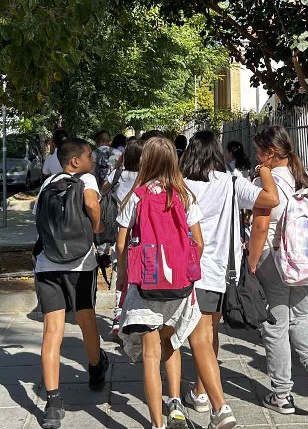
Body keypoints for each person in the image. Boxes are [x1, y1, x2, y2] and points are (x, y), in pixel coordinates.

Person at [180, 131, 280, 429]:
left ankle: (219, 407)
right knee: (210, 333)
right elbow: (271, 199)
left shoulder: (182, 185)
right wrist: (264, 171)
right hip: (225, 272)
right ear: (216, 153)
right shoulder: (232, 182)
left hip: (194, 270)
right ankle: (200, 392)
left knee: (198, 337)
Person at [116, 137, 204, 429]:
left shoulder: (137, 196)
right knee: (172, 343)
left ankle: (157, 424)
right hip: (178, 287)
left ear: (146, 161)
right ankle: (175, 403)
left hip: (146, 284)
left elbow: (121, 244)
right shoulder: (184, 195)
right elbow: (199, 243)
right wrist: (183, 270)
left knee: (150, 354)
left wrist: (124, 275)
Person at [248, 126, 308, 415]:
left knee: (276, 325)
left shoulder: (264, 184)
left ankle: (282, 394)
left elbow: (260, 227)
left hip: (274, 259)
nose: (256, 157)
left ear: (270, 153)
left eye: (259, 152)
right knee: (302, 317)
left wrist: (251, 262)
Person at [33, 138, 109, 429]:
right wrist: (98, 228)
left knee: (52, 331)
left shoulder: (47, 183)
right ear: (75, 161)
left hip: (47, 265)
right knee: (87, 321)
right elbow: (91, 203)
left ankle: (53, 403)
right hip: (80, 265)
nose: (93, 159)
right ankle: (95, 370)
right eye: (89, 155)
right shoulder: (86, 179)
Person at [101, 138, 144, 342]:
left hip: (121, 231)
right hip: (141, 234)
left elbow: (103, 191)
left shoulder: (118, 174)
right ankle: (136, 319)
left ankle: (118, 319)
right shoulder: (147, 178)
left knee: (121, 273)